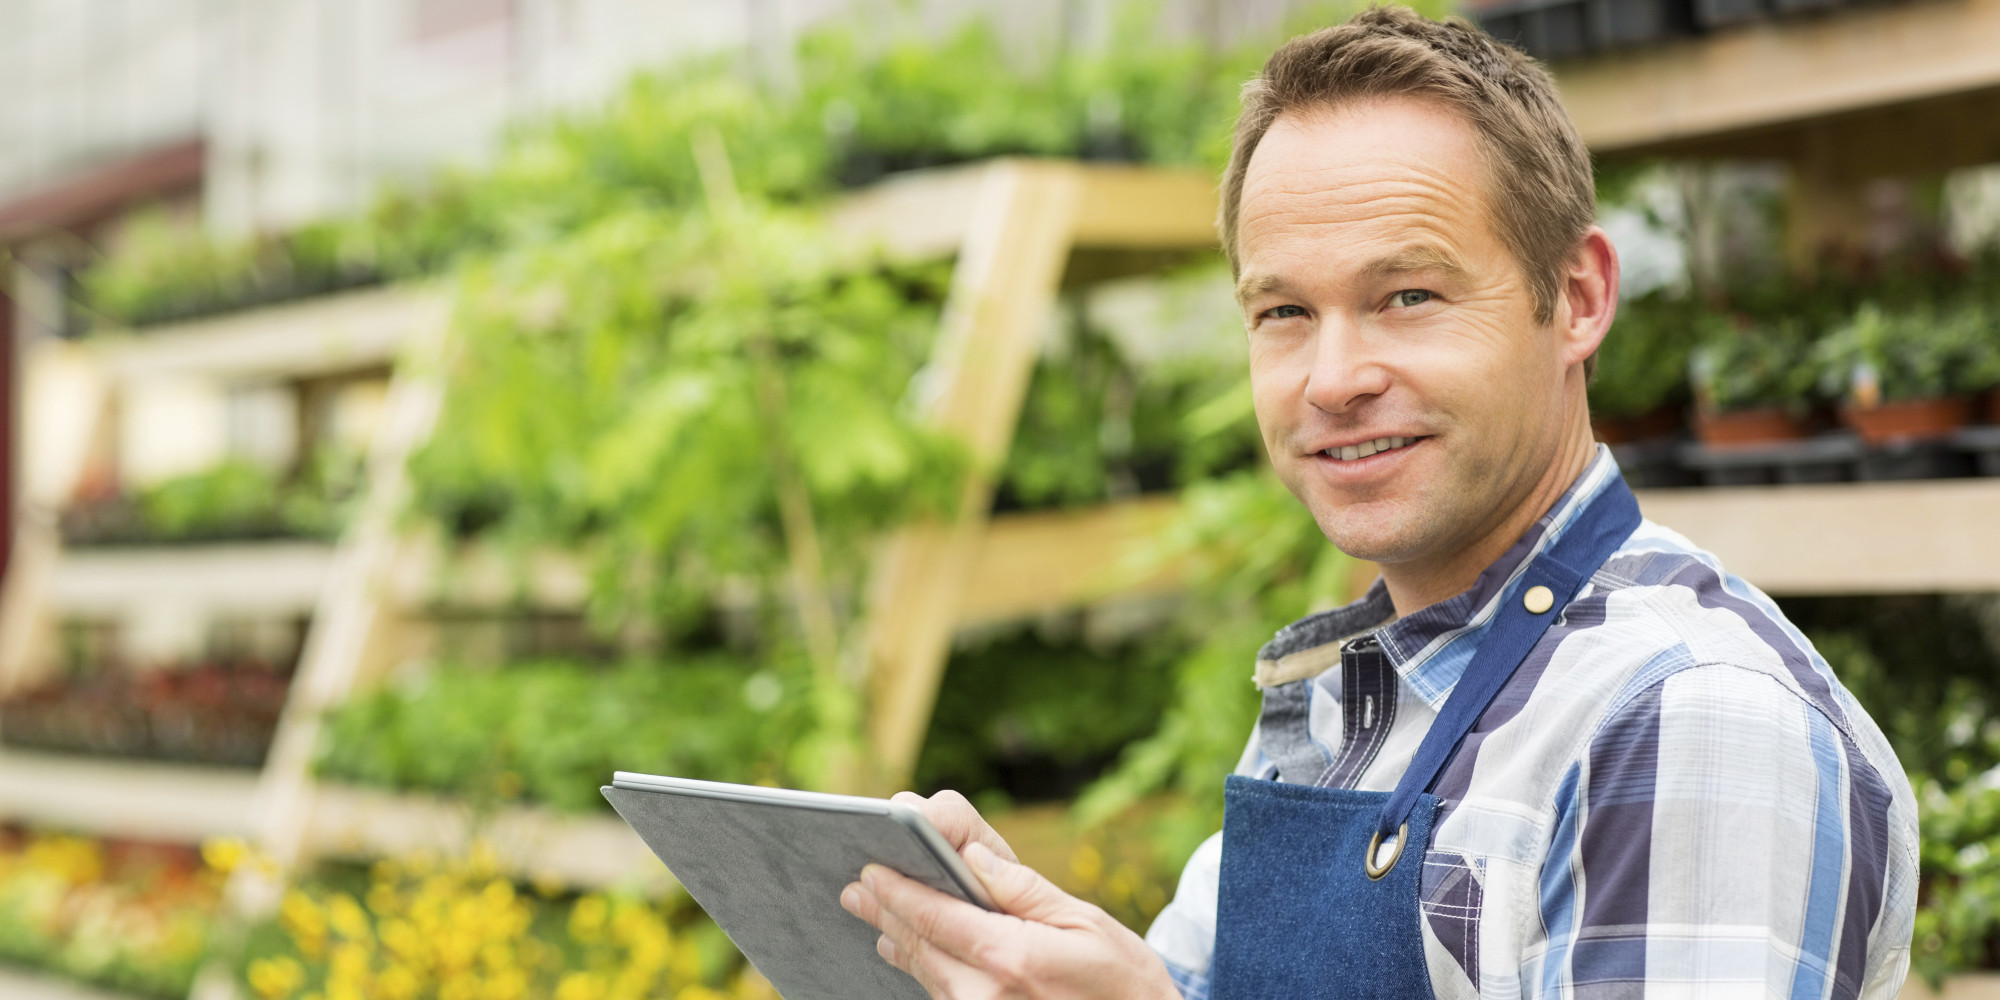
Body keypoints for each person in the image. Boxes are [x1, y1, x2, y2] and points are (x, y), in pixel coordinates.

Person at [839, 7, 1919, 998]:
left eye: (1406, 296)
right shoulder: (1354, 698)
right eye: (1283, 311)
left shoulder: (1679, 718)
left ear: (1577, 297)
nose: (1330, 376)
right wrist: (1033, 952)